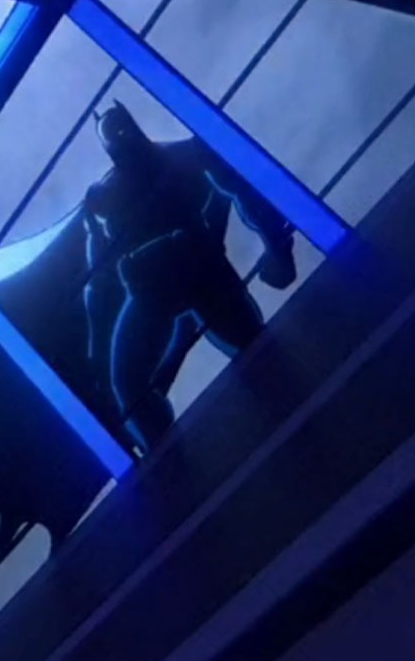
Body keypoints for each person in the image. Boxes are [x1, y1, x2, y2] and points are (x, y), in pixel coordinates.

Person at [82, 101, 298, 454]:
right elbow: (97, 278)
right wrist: (275, 247)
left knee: (258, 351)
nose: (123, 138)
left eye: (124, 131)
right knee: (130, 385)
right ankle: (167, 460)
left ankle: (290, 414)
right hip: (154, 290)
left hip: (198, 271)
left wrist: (277, 248)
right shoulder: (106, 195)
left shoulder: (180, 157)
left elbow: (241, 189)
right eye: (116, 136)